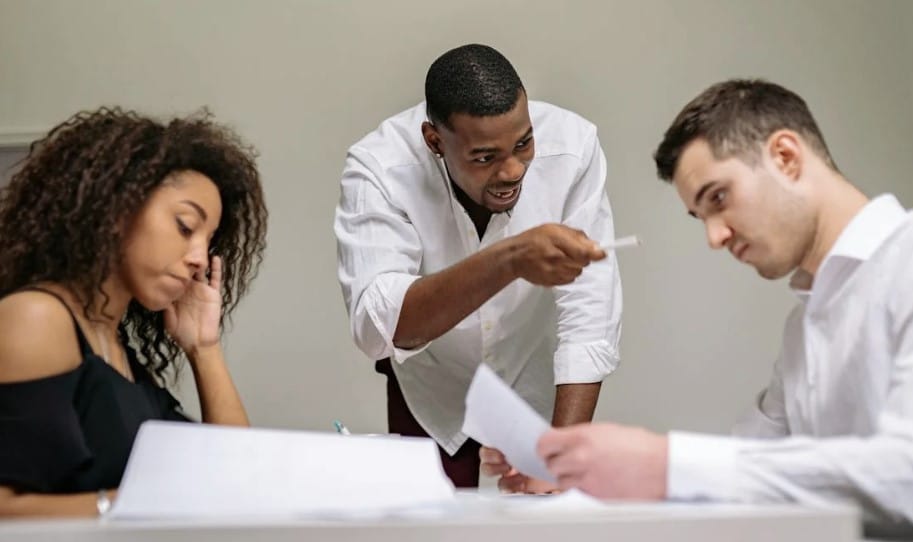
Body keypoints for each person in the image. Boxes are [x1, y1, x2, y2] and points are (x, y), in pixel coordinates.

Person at [517, 79, 913, 533]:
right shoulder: (804, 327)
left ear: (786, 157)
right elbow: (752, 463)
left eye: (718, 198)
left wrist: (663, 464)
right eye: (702, 217)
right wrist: (583, 463)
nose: (715, 237)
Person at [334, 44, 623, 489]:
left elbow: (590, 313)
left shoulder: (573, 147)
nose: (512, 171)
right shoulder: (380, 168)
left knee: (544, 511)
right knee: (431, 518)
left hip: (533, 369)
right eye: (485, 157)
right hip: (432, 386)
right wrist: (510, 258)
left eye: (524, 144)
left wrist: (560, 460)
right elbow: (376, 327)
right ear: (434, 141)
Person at [0, 107, 268, 517]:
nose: (200, 258)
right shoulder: (37, 318)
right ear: (117, 208)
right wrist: (133, 505)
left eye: (208, 240)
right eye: (185, 226)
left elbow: (237, 476)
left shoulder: (118, 351)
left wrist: (203, 347)